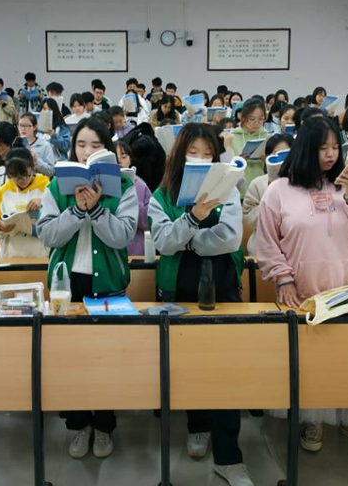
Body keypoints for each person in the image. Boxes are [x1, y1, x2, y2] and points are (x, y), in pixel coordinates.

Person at [255, 118, 348, 453]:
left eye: (335, 147)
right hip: (302, 291)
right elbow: (267, 242)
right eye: (322, 148)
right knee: (310, 361)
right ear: (304, 149)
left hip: (347, 287)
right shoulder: (279, 191)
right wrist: (283, 277)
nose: (330, 155)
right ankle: (311, 418)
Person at [148, 123, 252, 486]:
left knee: (225, 370)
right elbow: (163, 242)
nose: (201, 160)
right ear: (180, 155)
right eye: (193, 153)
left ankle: (229, 456)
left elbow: (230, 239)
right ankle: (197, 426)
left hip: (221, 288)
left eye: (208, 154)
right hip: (178, 289)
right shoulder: (162, 194)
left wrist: (187, 239)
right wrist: (193, 219)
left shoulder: (228, 189)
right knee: (188, 366)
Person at [36, 117, 138, 460]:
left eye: (96, 145)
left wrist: (94, 209)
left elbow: (122, 236)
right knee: (70, 360)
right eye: (81, 144)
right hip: (67, 285)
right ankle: (78, 425)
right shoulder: (56, 186)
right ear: (72, 148)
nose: (87, 151)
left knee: (105, 359)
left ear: (107, 149)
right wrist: (77, 211)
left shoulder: (123, 186)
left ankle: (105, 426)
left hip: (107, 283)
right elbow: (47, 234)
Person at [0, 147, 50, 258]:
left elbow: (57, 222)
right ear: (9, 174)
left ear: (32, 167)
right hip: (11, 256)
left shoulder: (46, 188)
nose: (22, 180)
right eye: (16, 177)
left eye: (26, 175)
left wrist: (44, 202)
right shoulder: (1, 193)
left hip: (41, 256)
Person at [243, 133, 293, 257]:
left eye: (286, 155)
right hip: (263, 250)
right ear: (267, 157)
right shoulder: (258, 184)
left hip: (294, 249)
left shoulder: (303, 184)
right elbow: (250, 221)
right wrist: (271, 195)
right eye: (275, 154)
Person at [115, 140, 151, 256]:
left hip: (135, 249)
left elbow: (148, 222)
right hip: (111, 248)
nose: (119, 160)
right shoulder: (103, 185)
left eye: (123, 156)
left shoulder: (140, 185)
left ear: (130, 159)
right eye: (115, 157)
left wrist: (133, 199)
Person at [228, 97, 269, 195]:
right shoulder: (232, 137)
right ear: (243, 118)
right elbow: (225, 166)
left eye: (261, 119)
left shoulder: (267, 137)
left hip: (261, 188)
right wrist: (238, 161)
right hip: (239, 189)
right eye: (252, 119)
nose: (256, 122)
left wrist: (267, 159)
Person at [18, 113, 56, 177]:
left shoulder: (45, 145)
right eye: (21, 125)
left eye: (27, 125)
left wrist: (36, 160)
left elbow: (51, 171)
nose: (23, 128)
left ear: (34, 127)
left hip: (38, 181)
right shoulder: (15, 144)